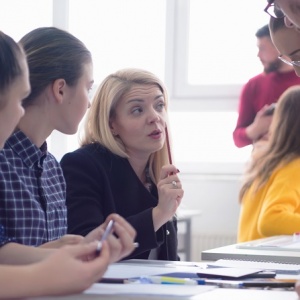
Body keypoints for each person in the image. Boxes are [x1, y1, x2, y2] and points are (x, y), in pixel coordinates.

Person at [0, 30, 135, 298]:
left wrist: (76, 249)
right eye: (88, 87)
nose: (89, 102)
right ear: (60, 89)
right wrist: (57, 262)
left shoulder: (52, 168)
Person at [60, 68, 184, 261]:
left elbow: (168, 260)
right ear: (112, 124)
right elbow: (87, 249)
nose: (155, 117)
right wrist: (159, 214)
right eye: (137, 110)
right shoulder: (82, 165)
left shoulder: (157, 174)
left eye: (159, 105)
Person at [237, 85, 300, 243]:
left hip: (246, 262)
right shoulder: (294, 165)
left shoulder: (271, 163)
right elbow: (271, 219)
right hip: (265, 264)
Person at [232, 24, 300, 148]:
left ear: (278, 46)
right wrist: (256, 129)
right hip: (267, 162)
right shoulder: (253, 85)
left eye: (262, 48)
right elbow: (238, 139)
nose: (258, 55)